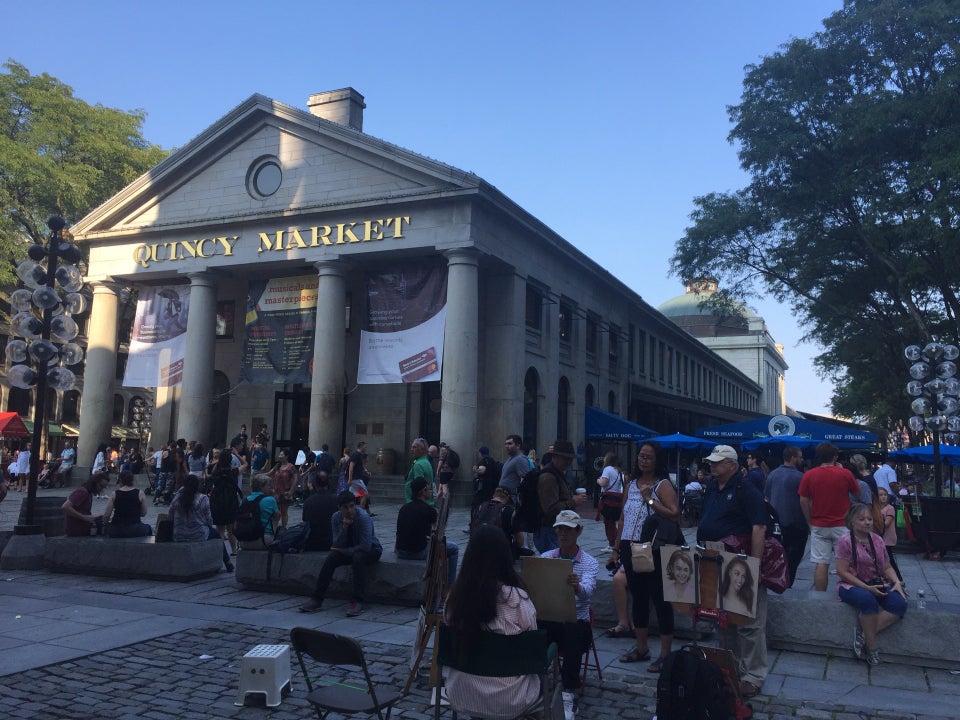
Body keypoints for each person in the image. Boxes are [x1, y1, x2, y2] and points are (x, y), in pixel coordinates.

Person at [443, 524, 540, 720]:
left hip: (462, 694)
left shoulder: (454, 599)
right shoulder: (516, 599)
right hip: (510, 698)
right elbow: (532, 643)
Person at [697, 444, 768, 698]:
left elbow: (759, 527)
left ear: (732, 465)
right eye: (712, 461)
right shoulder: (712, 488)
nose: (713, 465)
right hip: (715, 560)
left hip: (740, 562)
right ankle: (731, 668)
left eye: (718, 462)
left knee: (749, 622)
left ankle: (754, 674)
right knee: (723, 619)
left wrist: (754, 566)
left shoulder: (745, 488)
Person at [611, 441, 679, 673]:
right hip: (631, 547)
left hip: (653, 548)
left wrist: (650, 499)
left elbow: (674, 514)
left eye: (649, 457)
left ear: (657, 460)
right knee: (638, 598)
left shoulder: (662, 485)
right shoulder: (630, 484)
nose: (643, 460)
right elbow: (623, 516)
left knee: (660, 599)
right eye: (641, 456)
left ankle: (665, 653)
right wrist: (616, 547)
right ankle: (641, 647)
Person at [538, 510, 597, 718]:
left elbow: (588, 592)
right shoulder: (546, 557)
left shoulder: (589, 562)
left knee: (573, 632)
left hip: (576, 621)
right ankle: (532, 682)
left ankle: (569, 692)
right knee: (531, 627)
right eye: (560, 529)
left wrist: (577, 587)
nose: (563, 533)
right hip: (550, 617)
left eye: (569, 529)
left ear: (578, 531)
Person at [836, 502, 907, 666]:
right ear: (852, 521)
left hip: (877, 582)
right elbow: (842, 571)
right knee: (868, 600)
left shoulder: (878, 540)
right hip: (850, 584)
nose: (867, 522)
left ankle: (863, 635)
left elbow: (887, 566)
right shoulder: (845, 541)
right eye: (862, 519)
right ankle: (872, 645)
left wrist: (896, 582)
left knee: (899, 604)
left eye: (869, 519)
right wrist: (866, 587)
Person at [299, 491, 383, 617]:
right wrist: (345, 527)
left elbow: (365, 546)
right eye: (345, 507)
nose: (349, 510)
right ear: (339, 508)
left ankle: (358, 600)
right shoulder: (336, 518)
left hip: (371, 550)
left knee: (358, 557)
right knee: (331, 558)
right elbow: (336, 543)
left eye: (351, 506)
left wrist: (344, 551)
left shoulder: (363, 518)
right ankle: (317, 598)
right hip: (349, 549)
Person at [799, 442, 860, 592]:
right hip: (842, 524)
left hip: (819, 524)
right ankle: (849, 591)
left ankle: (820, 597)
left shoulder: (809, 475)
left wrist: (809, 521)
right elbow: (858, 494)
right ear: (835, 456)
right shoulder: (845, 473)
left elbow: (803, 500)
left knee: (821, 563)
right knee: (848, 562)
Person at [395, 477, 459, 586]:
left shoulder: (404, 508)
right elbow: (438, 530)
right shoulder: (428, 510)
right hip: (417, 552)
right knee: (454, 548)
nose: (431, 492)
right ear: (423, 491)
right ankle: (450, 585)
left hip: (400, 551)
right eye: (429, 489)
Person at [168, 474, 233, 572]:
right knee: (217, 535)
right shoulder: (203, 498)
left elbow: (170, 516)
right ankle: (227, 562)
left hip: (178, 534)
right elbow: (209, 520)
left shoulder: (177, 498)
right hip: (198, 534)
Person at [764, 446, 808, 587]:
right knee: (793, 558)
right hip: (796, 524)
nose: (802, 459)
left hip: (776, 525)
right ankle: (787, 583)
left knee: (778, 557)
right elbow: (804, 500)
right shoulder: (800, 477)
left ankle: (778, 581)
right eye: (800, 457)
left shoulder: (772, 475)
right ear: (793, 458)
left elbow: (766, 498)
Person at [534, 440, 587, 553]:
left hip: (554, 529)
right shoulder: (549, 477)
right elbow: (550, 509)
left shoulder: (558, 473)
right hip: (549, 530)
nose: (568, 461)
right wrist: (573, 501)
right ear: (555, 457)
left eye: (570, 458)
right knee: (554, 566)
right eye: (565, 458)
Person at [470, 486, 525, 558]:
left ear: (493, 495)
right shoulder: (510, 511)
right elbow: (520, 541)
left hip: (477, 551)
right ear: (507, 498)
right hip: (499, 554)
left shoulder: (479, 507)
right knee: (528, 553)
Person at [209, 451, 244, 555]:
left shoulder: (215, 471)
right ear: (230, 460)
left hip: (217, 500)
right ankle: (233, 550)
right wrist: (237, 454)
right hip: (230, 500)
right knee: (231, 530)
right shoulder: (234, 472)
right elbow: (245, 464)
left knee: (220, 530)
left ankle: (220, 551)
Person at [101, 471, 151, 537]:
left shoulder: (114, 494)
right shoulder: (140, 493)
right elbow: (143, 513)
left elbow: (107, 515)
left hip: (117, 529)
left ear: (120, 480)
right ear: (132, 480)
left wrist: (105, 525)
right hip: (135, 528)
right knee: (148, 528)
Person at [302, 471, 339, 551]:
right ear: (328, 484)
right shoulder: (337, 501)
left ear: (315, 484)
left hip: (312, 542)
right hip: (332, 541)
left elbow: (305, 520)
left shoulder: (308, 502)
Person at [241, 474, 281, 548]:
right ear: (261, 487)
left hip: (243, 540)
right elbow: (277, 516)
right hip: (263, 538)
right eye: (268, 485)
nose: (270, 487)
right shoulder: (270, 499)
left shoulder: (245, 500)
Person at [597, 451, 624, 550]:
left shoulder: (607, 469)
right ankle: (616, 542)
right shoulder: (618, 470)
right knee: (612, 522)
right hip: (616, 500)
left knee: (608, 523)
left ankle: (612, 544)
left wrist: (598, 480)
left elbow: (603, 483)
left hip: (608, 499)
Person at [876, 487, 904, 585]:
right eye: (881, 495)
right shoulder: (876, 508)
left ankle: (899, 579)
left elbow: (887, 523)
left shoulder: (890, 508)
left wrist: (875, 522)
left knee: (889, 559)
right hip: (879, 537)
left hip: (887, 537)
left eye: (885, 495)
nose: (883, 497)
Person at [469, 445, 501, 520]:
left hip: (483, 489)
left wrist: (475, 469)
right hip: (492, 488)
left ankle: (473, 525)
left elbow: (482, 470)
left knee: (476, 505)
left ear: (480, 453)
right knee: (488, 506)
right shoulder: (492, 460)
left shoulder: (483, 461)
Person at [268, 450, 296, 528]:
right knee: (275, 512)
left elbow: (295, 479)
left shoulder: (291, 466)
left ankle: (283, 528)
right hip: (276, 492)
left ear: (286, 456)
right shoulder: (277, 465)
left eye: (281, 455)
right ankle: (274, 528)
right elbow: (270, 473)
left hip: (286, 492)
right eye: (279, 455)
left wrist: (291, 491)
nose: (279, 456)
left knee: (284, 512)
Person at [498, 434, 528, 503]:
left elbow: (526, 480)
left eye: (509, 443)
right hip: (503, 496)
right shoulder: (511, 458)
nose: (506, 446)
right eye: (505, 444)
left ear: (518, 446)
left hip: (511, 499)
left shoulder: (520, 459)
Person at [404, 437, 434, 504]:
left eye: (414, 447)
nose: (411, 450)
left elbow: (419, 487)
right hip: (426, 503)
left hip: (418, 504)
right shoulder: (426, 461)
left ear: (422, 450)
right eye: (412, 447)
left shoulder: (418, 464)